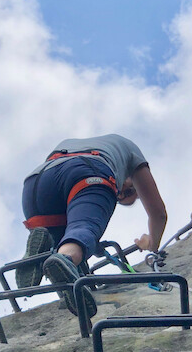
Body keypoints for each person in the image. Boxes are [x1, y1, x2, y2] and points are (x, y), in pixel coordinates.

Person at [17, 134, 167, 317]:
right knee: (83, 229)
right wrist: (152, 244)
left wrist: (92, 244)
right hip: (87, 171)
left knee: (65, 245)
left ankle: (44, 254)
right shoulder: (129, 149)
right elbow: (158, 214)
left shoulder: (73, 142)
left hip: (37, 185)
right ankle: (66, 257)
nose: (119, 195)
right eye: (127, 192)